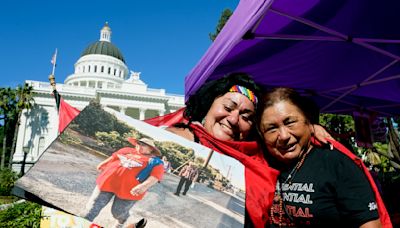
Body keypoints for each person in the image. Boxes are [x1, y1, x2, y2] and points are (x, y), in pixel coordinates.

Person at [136, 72, 332, 227]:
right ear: (209, 105)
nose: (233, 119)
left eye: (246, 117)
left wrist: (308, 128)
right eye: (228, 107)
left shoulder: (257, 157)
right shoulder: (172, 137)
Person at [256, 87, 391, 227]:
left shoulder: (336, 164)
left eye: (290, 122)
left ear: (308, 122)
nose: (283, 136)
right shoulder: (263, 163)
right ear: (262, 135)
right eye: (272, 128)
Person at [83, 137, 164, 228]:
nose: (139, 146)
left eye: (143, 145)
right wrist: (103, 164)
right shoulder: (126, 150)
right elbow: (114, 157)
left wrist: (143, 186)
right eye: (138, 143)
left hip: (129, 192)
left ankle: (122, 220)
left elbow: (155, 177)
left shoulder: (156, 162)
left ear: (151, 149)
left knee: (118, 212)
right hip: (107, 183)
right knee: (92, 208)